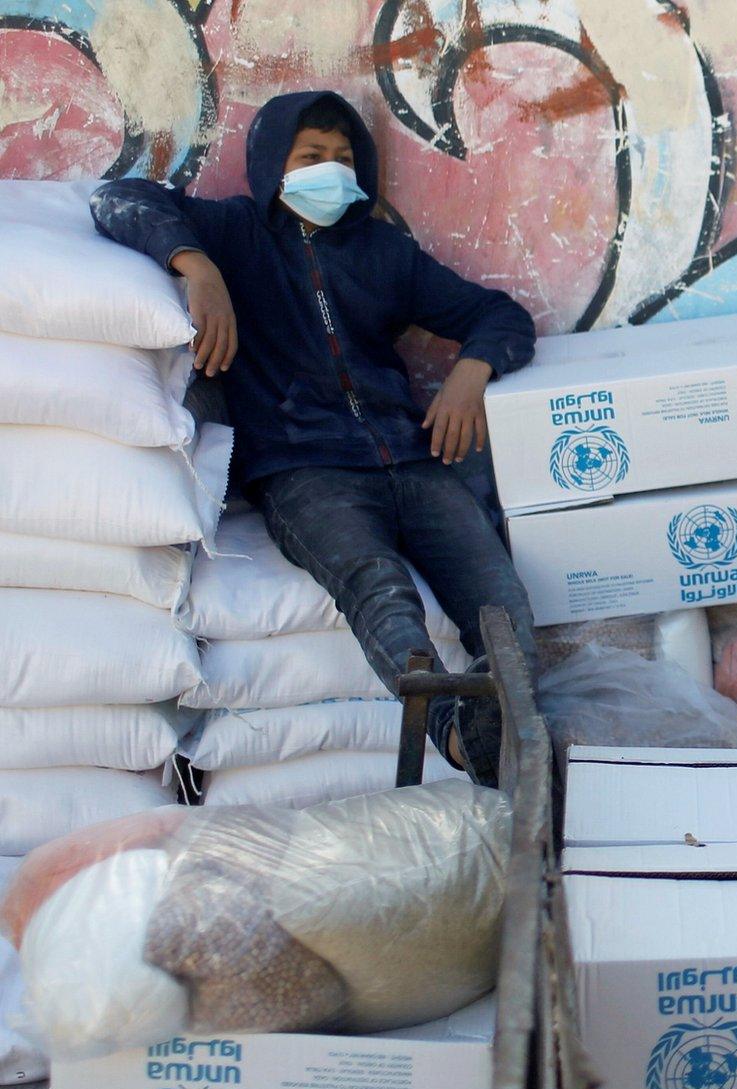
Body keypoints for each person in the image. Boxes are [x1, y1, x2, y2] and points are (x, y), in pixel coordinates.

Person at [91, 90, 538, 783]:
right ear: (275, 164)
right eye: (310, 157)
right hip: (305, 472)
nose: (330, 169)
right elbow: (119, 199)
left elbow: (498, 314)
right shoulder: (235, 234)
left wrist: (470, 372)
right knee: (379, 589)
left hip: (415, 458)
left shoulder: (385, 252)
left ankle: (514, 730)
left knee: (499, 598)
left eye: (341, 157)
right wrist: (198, 266)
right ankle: (454, 730)